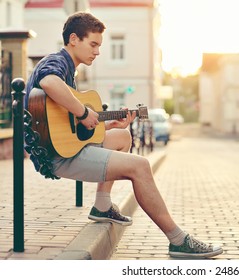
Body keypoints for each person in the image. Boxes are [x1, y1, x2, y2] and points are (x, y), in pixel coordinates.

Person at [24, 11, 223, 259]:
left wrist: (105, 125)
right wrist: (85, 111)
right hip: (56, 156)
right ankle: (178, 240)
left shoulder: (69, 71)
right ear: (73, 39)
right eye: (93, 44)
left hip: (61, 146)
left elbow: (68, 125)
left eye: (99, 46)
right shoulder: (57, 62)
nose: (97, 52)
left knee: (123, 136)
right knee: (140, 166)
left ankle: (102, 205)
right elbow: (49, 84)